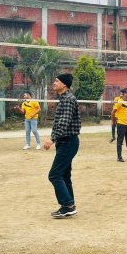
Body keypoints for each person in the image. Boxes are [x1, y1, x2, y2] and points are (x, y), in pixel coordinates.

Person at [43, 73, 82, 218]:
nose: (54, 83)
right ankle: (69, 206)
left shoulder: (68, 100)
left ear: (64, 84)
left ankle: (67, 205)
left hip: (68, 142)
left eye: (57, 81)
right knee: (64, 175)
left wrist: (52, 139)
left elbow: (64, 123)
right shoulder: (64, 99)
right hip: (65, 142)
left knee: (54, 175)